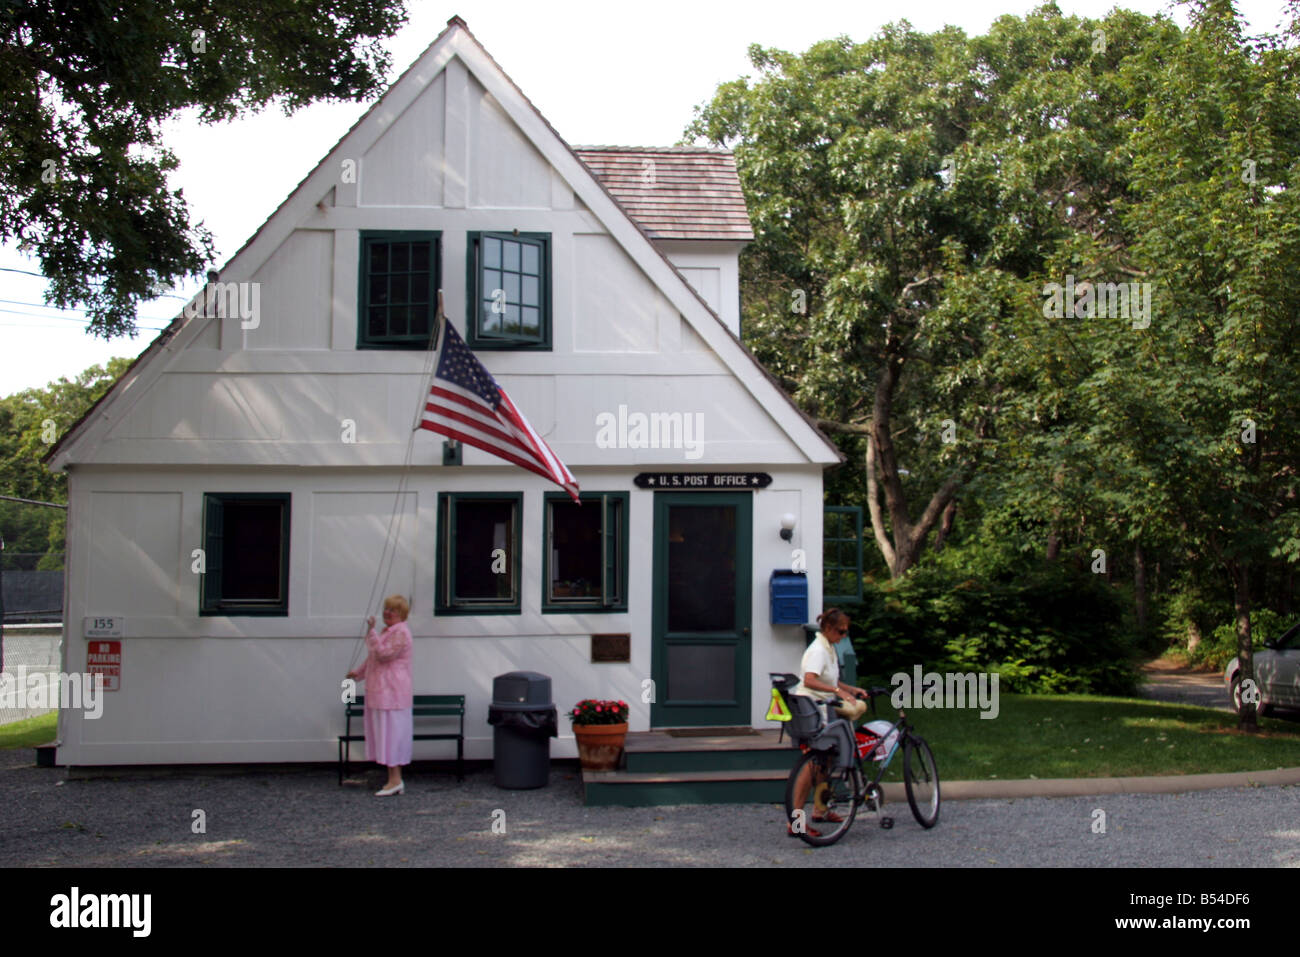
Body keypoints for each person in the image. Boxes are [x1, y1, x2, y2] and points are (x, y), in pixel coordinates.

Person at [787, 607, 869, 836]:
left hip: (825, 708)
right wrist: (836, 690)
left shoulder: (829, 648)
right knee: (811, 765)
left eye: (846, 632)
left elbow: (832, 681)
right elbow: (810, 680)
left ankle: (820, 810)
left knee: (827, 761)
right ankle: (794, 822)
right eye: (841, 632)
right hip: (813, 710)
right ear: (828, 628)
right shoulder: (818, 651)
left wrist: (851, 690)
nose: (844, 636)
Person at [346, 595, 414, 796]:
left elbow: (384, 654)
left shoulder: (401, 633)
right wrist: (356, 675)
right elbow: (373, 659)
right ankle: (392, 779)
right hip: (381, 692)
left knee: (392, 736)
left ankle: (395, 780)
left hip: (392, 694)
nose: (387, 613)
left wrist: (371, 632)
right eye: (386, 609)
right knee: (385, 736)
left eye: (392, 610)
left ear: (401, 614)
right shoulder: (387, 632)